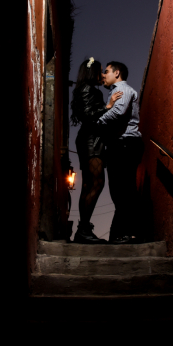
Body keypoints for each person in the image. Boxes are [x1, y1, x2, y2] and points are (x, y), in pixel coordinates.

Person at [70, 57, 123, 244]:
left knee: (89, 186)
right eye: (100, 71)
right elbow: (88, 115)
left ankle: (83, 230)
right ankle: (83, 229)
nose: (102, 75)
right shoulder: (87, 89)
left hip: (92, 139)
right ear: (92, 72)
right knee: (96, 183)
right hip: (91, 140)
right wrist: (108, 107)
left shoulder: (89, 89)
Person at [97, 61, 144, 245]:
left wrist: (98, 121)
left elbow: (118, 113)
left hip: (125, 145)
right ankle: (123, 233)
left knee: (123, 191)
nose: (103, 75)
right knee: (120, 191)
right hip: (122, 145)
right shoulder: (115, 92)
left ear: (117, 73)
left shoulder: (122, 90)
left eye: (106, 72)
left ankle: (129, 234)